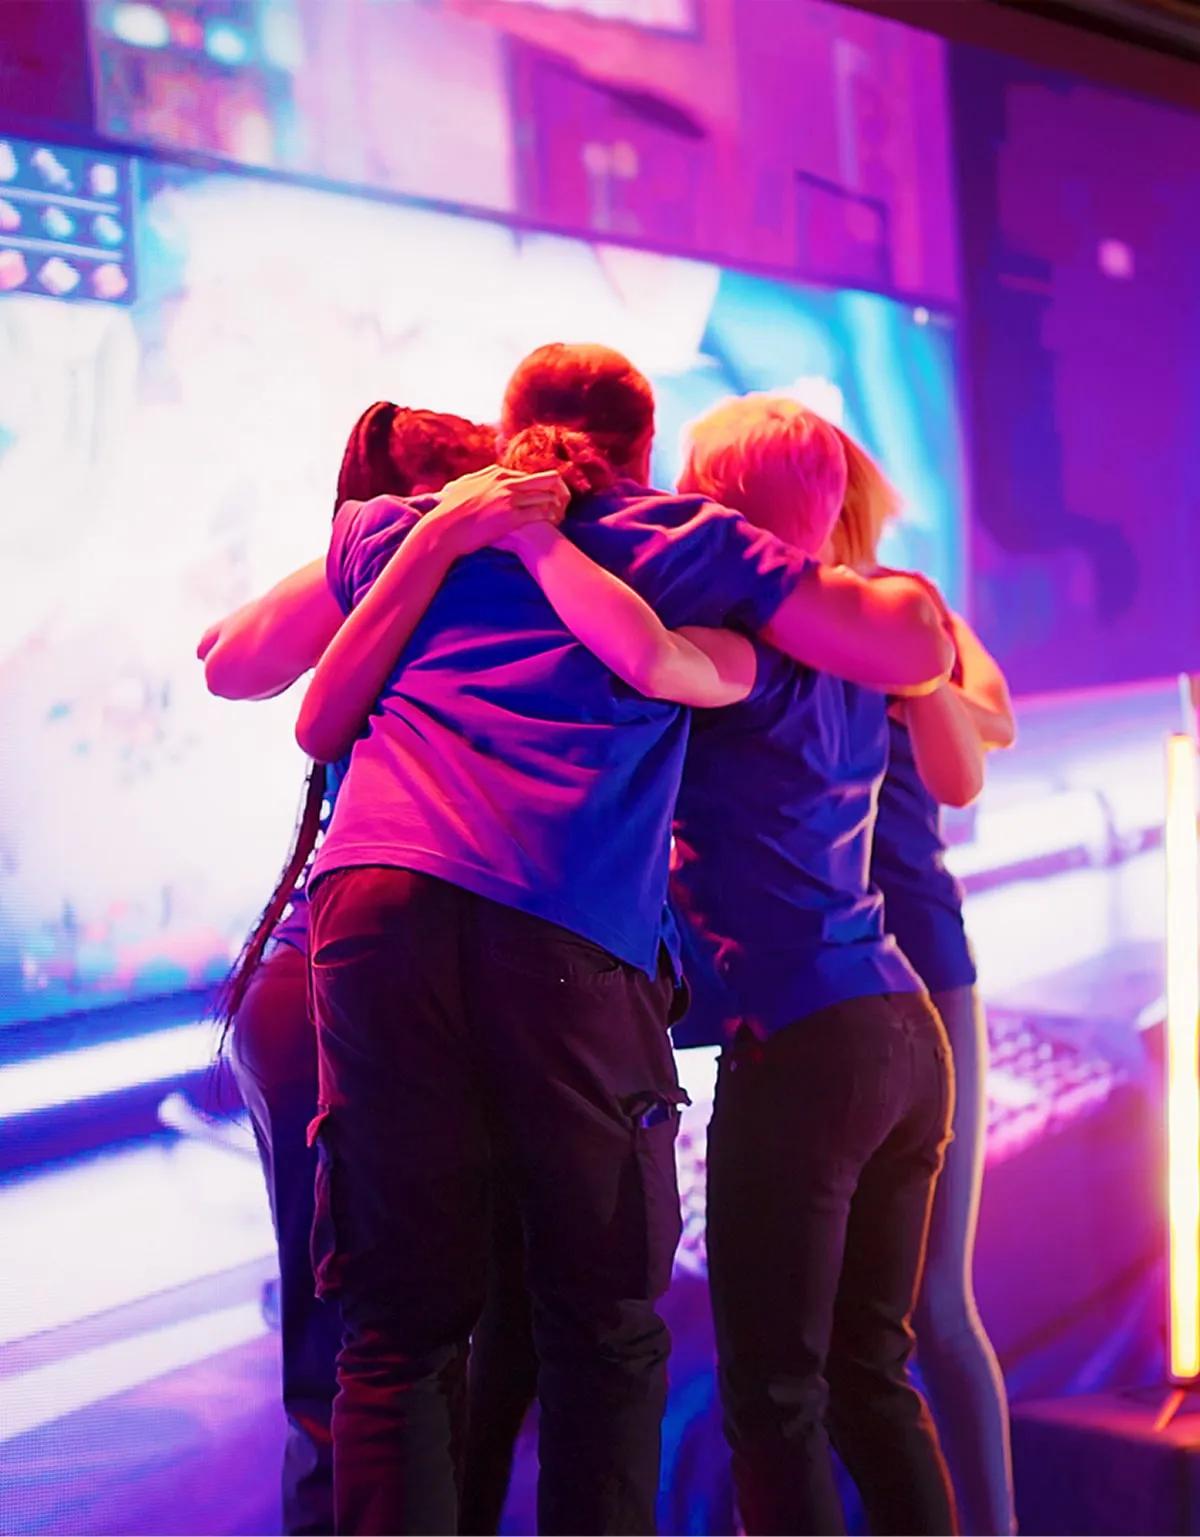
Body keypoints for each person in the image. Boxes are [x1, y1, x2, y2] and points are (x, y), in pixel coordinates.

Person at [292, 343, 954, 1536]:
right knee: (831, 1363)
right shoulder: (788, 617)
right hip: (859, 1008)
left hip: (406, 922)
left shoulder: (426, 534)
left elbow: (261, 674)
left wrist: (492, 535)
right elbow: (933, 703)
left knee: (419, 1337)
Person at [196, 402, 558, 1536]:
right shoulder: (416, 550)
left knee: (393, 1336)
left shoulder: (504, 561)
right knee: (373, 1344)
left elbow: (232, 657)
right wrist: (411, 538)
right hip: (344, 986)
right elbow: (230, 660)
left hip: (361, 978)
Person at [640, 395, 959, 1536]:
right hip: (901, 1026)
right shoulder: (869, 654)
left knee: (774, 1398)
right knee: (873, 1378)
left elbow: (639, 653)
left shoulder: (741, 655)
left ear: (710, 510)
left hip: (805, 1044)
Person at [832, 430, 1018, 1536]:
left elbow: (990, 722)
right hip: (875, 966)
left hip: (895, 964)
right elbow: (990, 719)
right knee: (898, 1311)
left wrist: (926, 678)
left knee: (918, 1307)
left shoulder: (894, 611)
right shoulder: (885, 614)